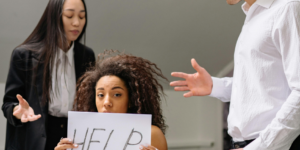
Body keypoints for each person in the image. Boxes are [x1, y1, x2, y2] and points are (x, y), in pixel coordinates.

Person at [170, 0, 300, 150]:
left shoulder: (287, 8)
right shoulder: (254, 14)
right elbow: (259, 86)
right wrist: (214, 86)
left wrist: (258, 147)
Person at [1, 0, 95, 150]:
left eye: (82, 17)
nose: (77, 23)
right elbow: (8, 104)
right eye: (69, 16)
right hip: (36, 137)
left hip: (73, 137)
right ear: (54, 17)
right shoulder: (24, 55)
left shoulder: (86, 55)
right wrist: (17, 111)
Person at [55, 51, 168, 150]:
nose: (106, 102)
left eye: (117, 94)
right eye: (100, 95)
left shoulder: (150, 133)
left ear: (131, 100)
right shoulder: (80, 135)